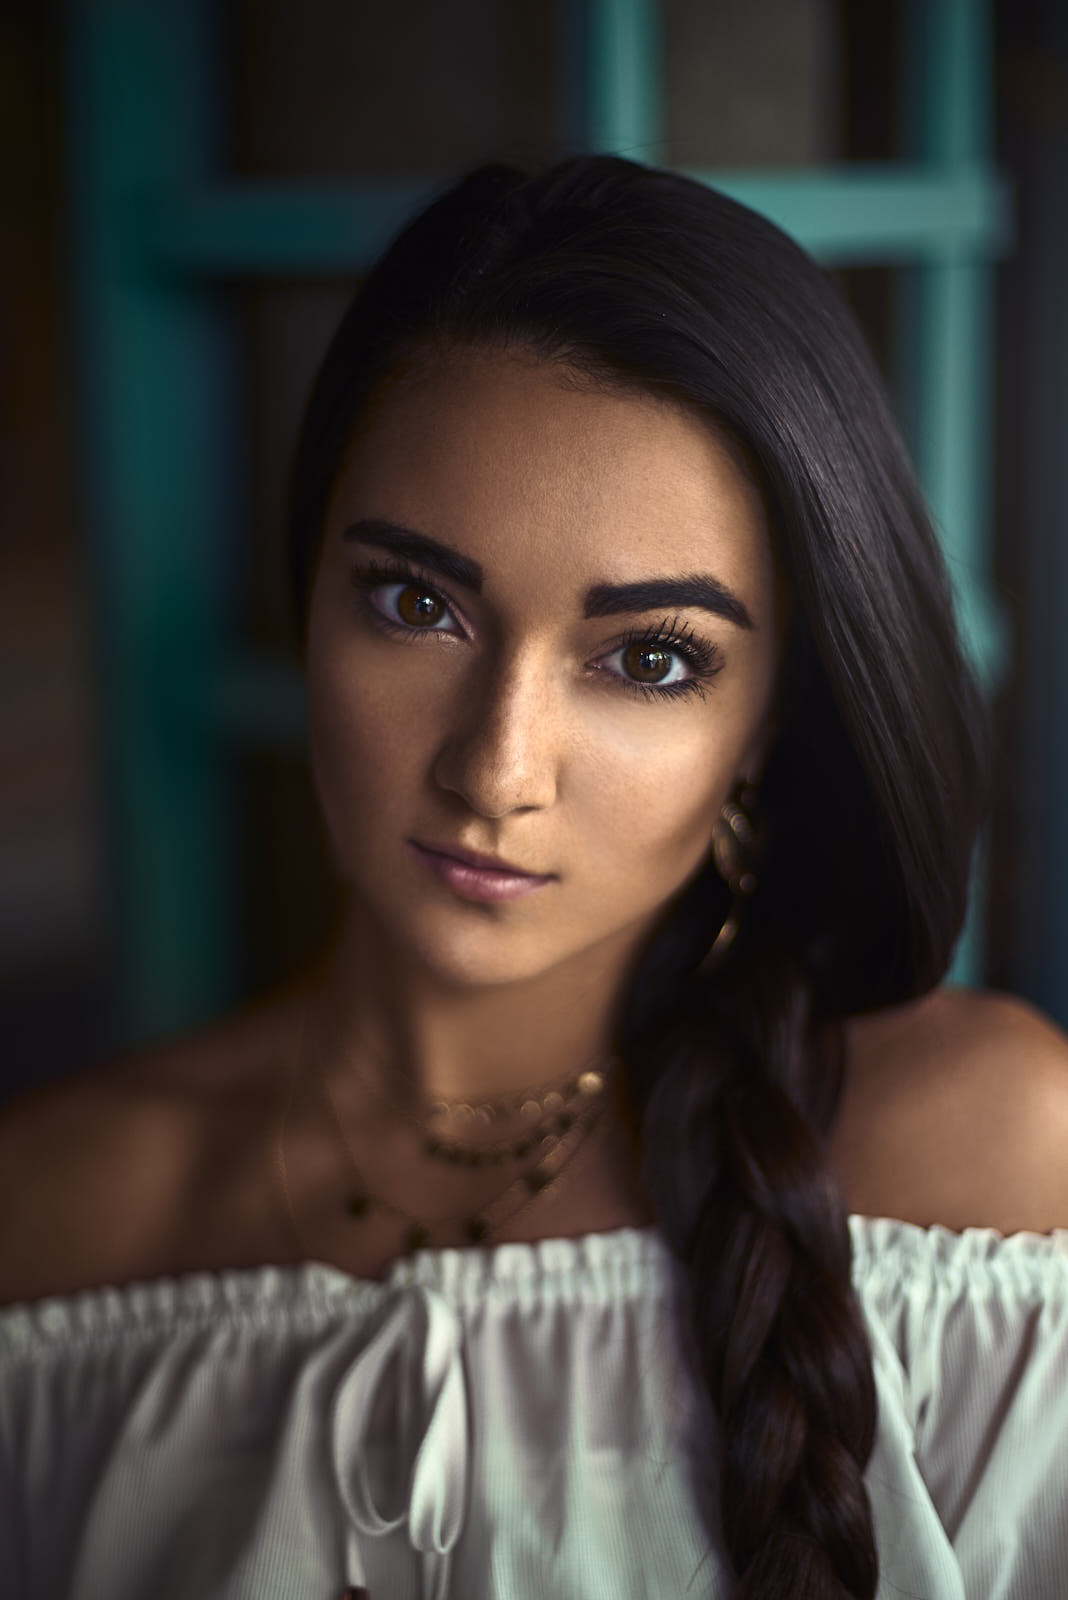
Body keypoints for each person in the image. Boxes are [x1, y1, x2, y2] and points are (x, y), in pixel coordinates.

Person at [1, 153, 1067, 1600]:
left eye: (650, 659)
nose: (496, 769)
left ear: (768, 726)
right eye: (415, 603)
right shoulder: (54, 1231)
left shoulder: (985, 1170)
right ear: (306, 593)